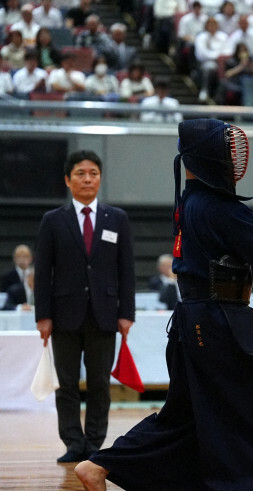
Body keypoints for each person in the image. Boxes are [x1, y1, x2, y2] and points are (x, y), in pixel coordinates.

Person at [74, 119, 253, 491]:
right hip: (218, 326)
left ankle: (97, 467)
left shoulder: (195, 204)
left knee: (185, 419)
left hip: (199, 324)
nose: (234, 158)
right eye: (227, 150)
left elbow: (239, 267)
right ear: (211, 158)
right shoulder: (216, 207)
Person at [34, 150, 136, 464]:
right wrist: (43, 316)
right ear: (68, 180)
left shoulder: (116, 218)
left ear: (100, 178)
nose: (87, 178)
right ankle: (72, 443)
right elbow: (43, 271)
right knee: (65, 384)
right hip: (63, 315)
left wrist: (126, 313)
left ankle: (93, 443)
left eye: (93, 172)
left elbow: (126, 270)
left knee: (99, 384)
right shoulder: (53, 220)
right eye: (80, 173)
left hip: (104, 314)